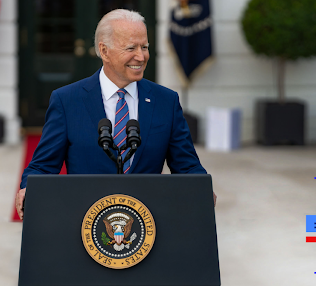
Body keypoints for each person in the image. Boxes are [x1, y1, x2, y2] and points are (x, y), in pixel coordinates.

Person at [15, 9, 216, 220]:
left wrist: (201, 185)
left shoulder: (166, 101)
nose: (141, 56)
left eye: (145, 47)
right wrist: (29, 188)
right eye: (131, 48)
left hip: (147, 223)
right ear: (104, 51)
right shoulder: (67, 101)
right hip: (84, 222)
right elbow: (42, 165)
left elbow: (187, 165)